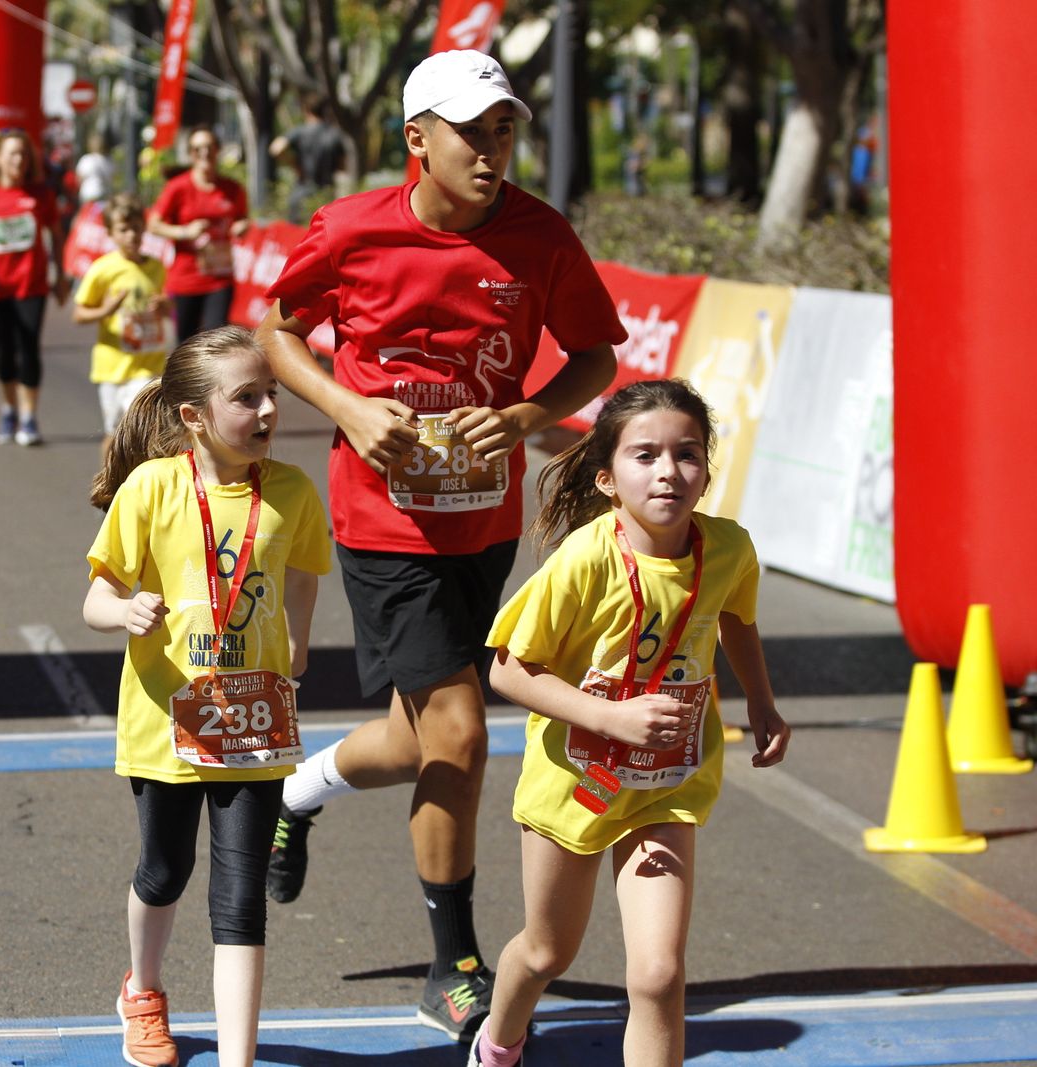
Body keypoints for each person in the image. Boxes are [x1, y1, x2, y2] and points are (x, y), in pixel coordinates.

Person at [253, 48, 626, 1041]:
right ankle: (452, 958)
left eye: (505, 129)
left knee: (425, 737)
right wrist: (343, 402)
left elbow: (595, 355)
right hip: (381, 521)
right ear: (416, 137)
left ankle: (299, 788)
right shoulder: (351, 229)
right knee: (460, 731)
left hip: (483, 519)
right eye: (472, 131)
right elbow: (277, 328)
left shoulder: (539, 236)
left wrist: (522, 418)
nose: (493, 150)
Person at [467, 379, 791, 1067]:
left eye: (688, 453)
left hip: (666, 782)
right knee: (548, 948)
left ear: (706, 470)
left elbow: (737, 616)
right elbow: (506, 669)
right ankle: (497, 1046)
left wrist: (761, 702)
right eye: (646, 455)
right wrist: (609, 715)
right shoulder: (586, 559)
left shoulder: (728, 548)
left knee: (658, 974)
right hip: (574, 781)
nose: (669, 470)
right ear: (609, 478)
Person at [83, 325, 331, 1067]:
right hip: (165, 722)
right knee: (165, 870)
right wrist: (123, 613)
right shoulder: (152, 488)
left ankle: (237, 1058)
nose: (266, 412)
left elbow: (303, 573)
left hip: (254, 718)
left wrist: (299, 643)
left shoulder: (290, 490)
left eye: (271, 396)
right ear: (193, 415)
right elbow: (98, 593)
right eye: (245, 398)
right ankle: (144, 991)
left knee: (241, 892)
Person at [0, 127, 62, 446]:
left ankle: (29, 418)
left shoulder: (40, 195)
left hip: (30, 285)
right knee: (4, 353)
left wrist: (60, 275)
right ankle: (9, 410)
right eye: (12, 154)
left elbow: (56, 235)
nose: (18, 160)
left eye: (23, 154)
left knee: (29, 347)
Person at [72, 194, 171, 463]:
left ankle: (144, 491)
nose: (131, 235)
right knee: (115, 434)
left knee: (148, 430)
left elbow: (164, 308)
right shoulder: (103, 269)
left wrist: (164, 307)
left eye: (136, 228)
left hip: (149, 364)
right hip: (114, 367)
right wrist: (106, 311)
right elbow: (79, 314)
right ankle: (108, 486)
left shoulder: (156, 268)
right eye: (123, 230)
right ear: (110, 234)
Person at [148, 126, 250, 345]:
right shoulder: (178, 187)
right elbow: (153, 225)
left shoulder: (233, 189)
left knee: (216, 342)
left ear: (218, 150)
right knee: (185, 344)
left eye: (209, 147)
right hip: (185, 277)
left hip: (219, 277)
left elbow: (242, 218)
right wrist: (185, 231)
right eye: (197, 149)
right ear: (191, 154)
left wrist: (241, 226)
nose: (204, 153)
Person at [267, 94, 348, 224]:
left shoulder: (300, 131)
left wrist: (293, 163)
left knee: (298, 239)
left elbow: (275, 148)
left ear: (307, 110)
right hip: (326, 198)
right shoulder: (335, 135)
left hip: (301, 195)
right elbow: (343, 166)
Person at [74, 132, 114, 205]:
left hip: (88, 193)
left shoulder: (86, 159)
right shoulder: (108, 160)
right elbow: (112, 177)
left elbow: (79, 178)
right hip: (104, 193)